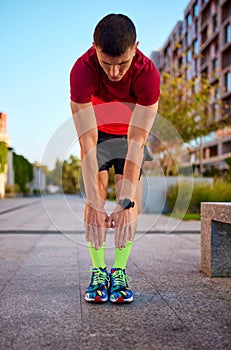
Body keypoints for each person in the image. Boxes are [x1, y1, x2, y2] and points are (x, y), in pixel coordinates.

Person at [70, 13, 160, 303]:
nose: (115, 72)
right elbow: (87, 143)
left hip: (129, 135)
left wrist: (125, 201)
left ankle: (119, 272)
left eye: (122, 63)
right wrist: (95, 203)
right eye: (106, 64)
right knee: (93, 195)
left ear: (136, 47)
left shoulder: (148, 75)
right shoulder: (81, 71)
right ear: (94, 48)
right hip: (98, 132)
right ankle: (98, 271)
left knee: (128, 199)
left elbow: (137, 141)